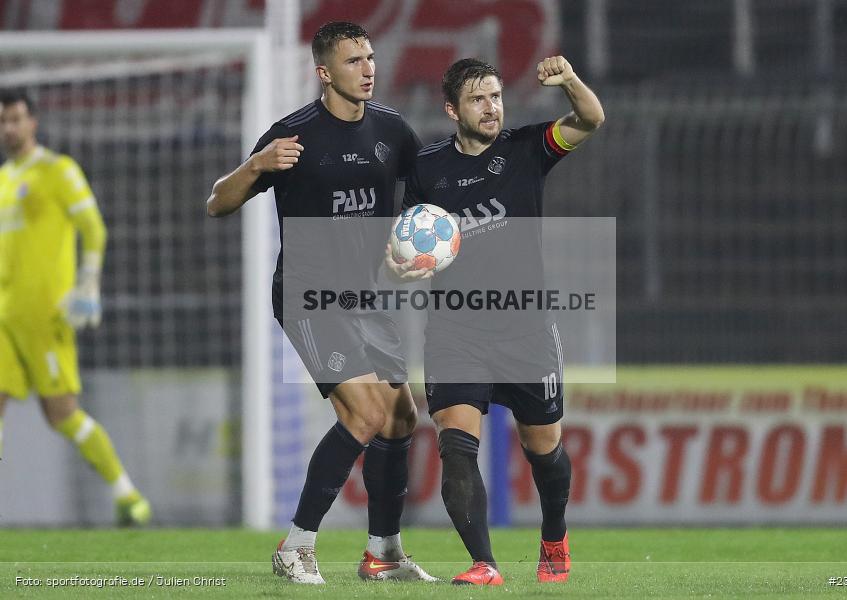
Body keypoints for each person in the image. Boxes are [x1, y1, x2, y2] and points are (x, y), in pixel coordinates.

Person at [206, 22, 435, 585]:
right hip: (309, 295)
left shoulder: (392, 131)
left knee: (401, 417)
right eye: (354, 60)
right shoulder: (294, 136)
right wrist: (256, 165)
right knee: (365, 415)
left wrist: (422, 240)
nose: (368, 69)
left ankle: (383, 555)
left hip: (366, 296)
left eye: (370, 57)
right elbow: (217, 203)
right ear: (325, 72)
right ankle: (296, 547)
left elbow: (427, 196)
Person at [389, 57, 604, 584]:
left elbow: (591, 119)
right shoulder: (427, 168)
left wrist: (569, 81)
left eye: (496, 96)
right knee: (455, 444)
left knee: (544, 449)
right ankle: (484, 564)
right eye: (478, 99)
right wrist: (403, 267)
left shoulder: (528, 148)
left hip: (526, 330)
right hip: (456, 333)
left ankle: (554, 535)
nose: (491, 108)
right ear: (452, 109)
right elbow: (406, 243)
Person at [0, 90, 151, 526]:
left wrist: (88, 281)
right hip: (4, 314)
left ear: (33, 122)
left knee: (61, 414)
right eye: (2, 121)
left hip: (46, 316)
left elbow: (93, 227)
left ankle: (126, 495)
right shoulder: (4, 179)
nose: (8, 128)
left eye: (15, 119)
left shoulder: (58, 169)